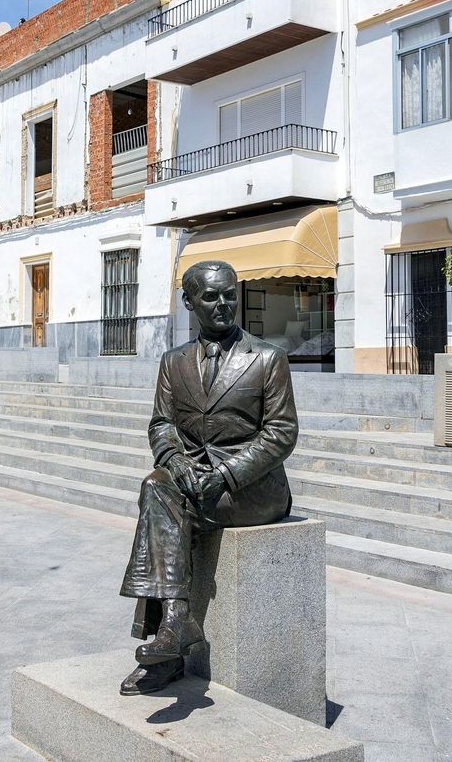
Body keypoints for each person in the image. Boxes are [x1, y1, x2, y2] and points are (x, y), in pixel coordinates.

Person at [118, 260, 298, 696]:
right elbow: (161, 424)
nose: (223, 305)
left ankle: (170, 644)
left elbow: (282, 433)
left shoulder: (268, 358)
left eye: (230, 294)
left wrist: (226, 474)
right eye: (211, 296)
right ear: (189, 302)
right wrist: (176, 463)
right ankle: (176, 625)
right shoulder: (173, 361)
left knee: (160, 505)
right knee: (158, 487)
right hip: (193, 476)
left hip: (252, 487)